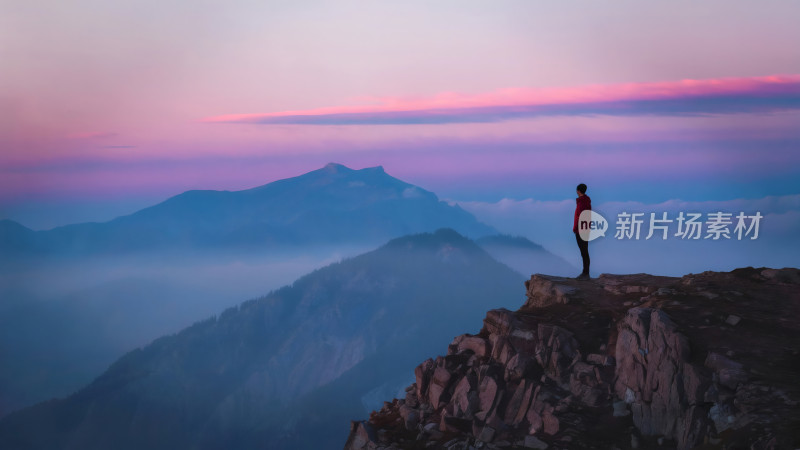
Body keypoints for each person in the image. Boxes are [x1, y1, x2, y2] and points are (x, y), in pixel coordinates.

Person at [573, 183, 591, 279]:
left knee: (584, 252)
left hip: (581, 230)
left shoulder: (581, 202)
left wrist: (576, 228)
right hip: (585, 229)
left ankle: (585, 273)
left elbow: (580, 217)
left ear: (578, 191)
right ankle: (585, 272)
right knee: (584, 251)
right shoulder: (586, 201)